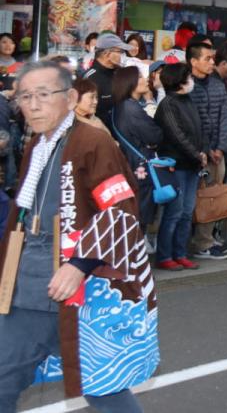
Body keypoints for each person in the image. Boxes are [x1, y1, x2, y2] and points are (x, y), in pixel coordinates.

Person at [0, 60, 156, 412]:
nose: (33, 105)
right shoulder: (37, 145)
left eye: (44, 94)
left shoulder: (93, 141)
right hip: (29, 281)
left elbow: (119, 209)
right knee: (11, 379)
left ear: (70, 98)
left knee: (99, 384)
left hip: (74, 284)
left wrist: (79, 264)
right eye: (25, 96)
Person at [153, 62, 208, 271]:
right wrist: (197, 154)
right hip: (175, 166)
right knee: (174, 212)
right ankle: (165, 255)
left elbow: (200, 129)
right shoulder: (168, 104)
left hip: (192, 165)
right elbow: (177, 136)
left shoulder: (188, 100)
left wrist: (202, 151)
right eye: (188, 77)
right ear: (179, 81)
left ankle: (180, 253)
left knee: (186, 212)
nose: (191, 81)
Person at [185, 39, 227, 260]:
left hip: (216, 154)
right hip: (195, 153)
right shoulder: (185, 85)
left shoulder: (217, 84)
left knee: (211, 197)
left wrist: (220, 148)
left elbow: (225, 117)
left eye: (212, 58)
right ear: (193, 61)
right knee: (191, 199)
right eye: (207, 58)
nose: (212, 62)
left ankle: (205, 241)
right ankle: (188, 243)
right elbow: (192, 121)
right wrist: (206, 148)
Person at [110, 66, 165, 231]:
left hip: (131, 164)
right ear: (130, 82)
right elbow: (155, 135)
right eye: (140, 77)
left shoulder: (121, 106)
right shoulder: (131, 108)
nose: (145, 80)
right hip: (140, 167)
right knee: (141, 214)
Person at [84, 32, 136, 127]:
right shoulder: (90, 79)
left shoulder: (119, 72)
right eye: (120, 52)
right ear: (107, 54)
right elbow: (84, 115)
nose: (123, 55)